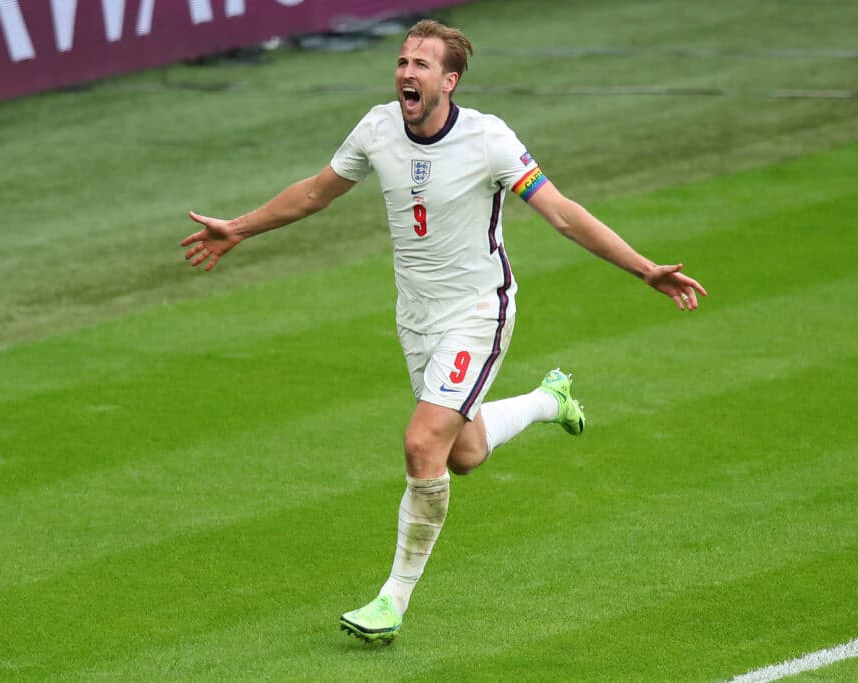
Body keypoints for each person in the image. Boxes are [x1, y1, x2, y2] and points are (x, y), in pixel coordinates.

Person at [181, 19, 707, 644]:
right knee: (464, 453)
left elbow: (562, 214)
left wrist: (644, 268)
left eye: (422, 65)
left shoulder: (490, 141)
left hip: (478, 313)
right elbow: (315, 194)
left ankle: (390, 601)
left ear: (449, 80)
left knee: (421, 444)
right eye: (403, 62)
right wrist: (239, 227)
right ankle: (549, 400)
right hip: (416, 319)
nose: (407, 72)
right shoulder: (377, 129)